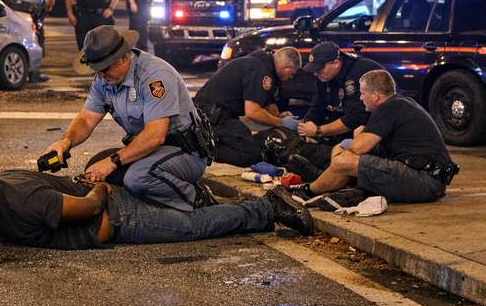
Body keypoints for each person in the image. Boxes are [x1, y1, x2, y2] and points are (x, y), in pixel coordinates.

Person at [45, 25, 211, 212]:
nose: (101, 75)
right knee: (94, 169)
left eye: (104, 69)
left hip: (184, 153)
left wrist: (113, 161)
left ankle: (197, 199)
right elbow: (87, 119)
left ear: (123, 58)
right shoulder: (104, 79)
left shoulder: (155, 77)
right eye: (96, 70)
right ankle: (151, 195)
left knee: (138, 177)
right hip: (152, 151)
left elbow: (155, 135)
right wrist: (66, 142)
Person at [0, 170, 313, 250]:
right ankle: (249, 209)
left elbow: (90, 206)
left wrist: (102, 188)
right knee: (192, 220)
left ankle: (268, 206)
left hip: (121, 217)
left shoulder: (27, 201)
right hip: (117, 214)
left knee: (193, 227)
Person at [289, 69, 458, 203]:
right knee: (342, 150)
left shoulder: (388, 107)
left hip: (425, 181)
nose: (360, 98)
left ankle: (308, 191)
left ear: (375, 95)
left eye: (363, 93)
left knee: (345, 160)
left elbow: (358, 148)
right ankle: (333, 184)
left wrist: (342, 157)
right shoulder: (399, 103)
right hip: (427, 178)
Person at [194, 47, 302, 168]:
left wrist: (280, 116)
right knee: (251, 155)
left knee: (253, 143)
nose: (291, 77)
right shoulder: (259, 70)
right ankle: (201, 150)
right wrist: (281, 122)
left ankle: (208, 143)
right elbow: (253, 112)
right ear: (286, 67)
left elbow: (269, 104)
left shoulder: (266, 66)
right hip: (212, 116)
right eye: (292, 73)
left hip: (215, 113)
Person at [291, 42, 384, 172]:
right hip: (343, 128)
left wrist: (319, 130)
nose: (316, 73)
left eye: (319, 68)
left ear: (335, 63)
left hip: (372, 133)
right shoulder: (324, 75)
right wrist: (307, 123)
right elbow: (318, 104)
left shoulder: (359, 73)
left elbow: (355, 118)